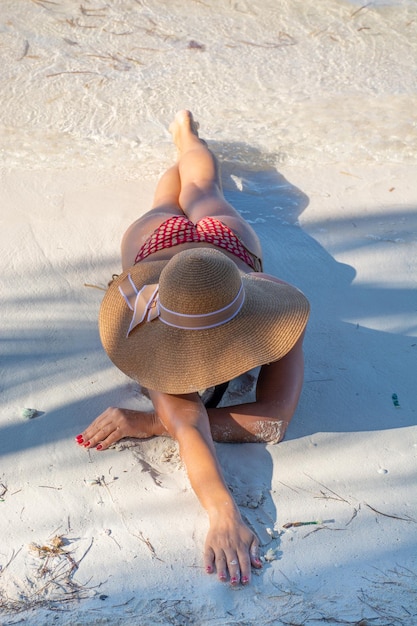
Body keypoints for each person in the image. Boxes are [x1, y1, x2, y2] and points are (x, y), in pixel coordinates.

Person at [76, 110, 309, 586]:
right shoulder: (154, 338)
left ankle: (185, 135)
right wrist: (223, 513)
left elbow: (273, 421)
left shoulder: (279, 322)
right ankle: (184, 136)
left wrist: (146, 421)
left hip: (197, 255)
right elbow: (213, 422)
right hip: (198, 254)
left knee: (180, 195)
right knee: (201, 192)